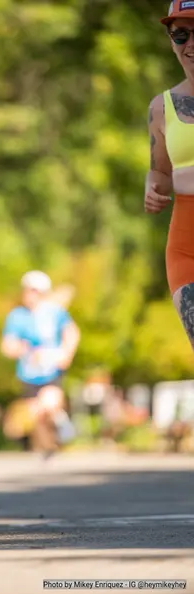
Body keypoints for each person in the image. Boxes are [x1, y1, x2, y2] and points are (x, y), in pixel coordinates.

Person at [145, 1, 194, 350]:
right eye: (180, 34)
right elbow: (160, 172)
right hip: (186, 246)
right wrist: (152, 186)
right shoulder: (161, 107)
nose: (190, 43)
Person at [1, 270, 80, 450]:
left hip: (51, 371)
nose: (29, 294)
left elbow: (72, 333)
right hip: (29, 374)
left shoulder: (55, 313)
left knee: (49, 403)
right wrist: (22, 349)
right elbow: (7, 345)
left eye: (34, 290)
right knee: (35, 416)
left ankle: (61, 424)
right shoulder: (17, 316)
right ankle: (50, 448)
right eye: (27, 290)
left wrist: (66, 354)